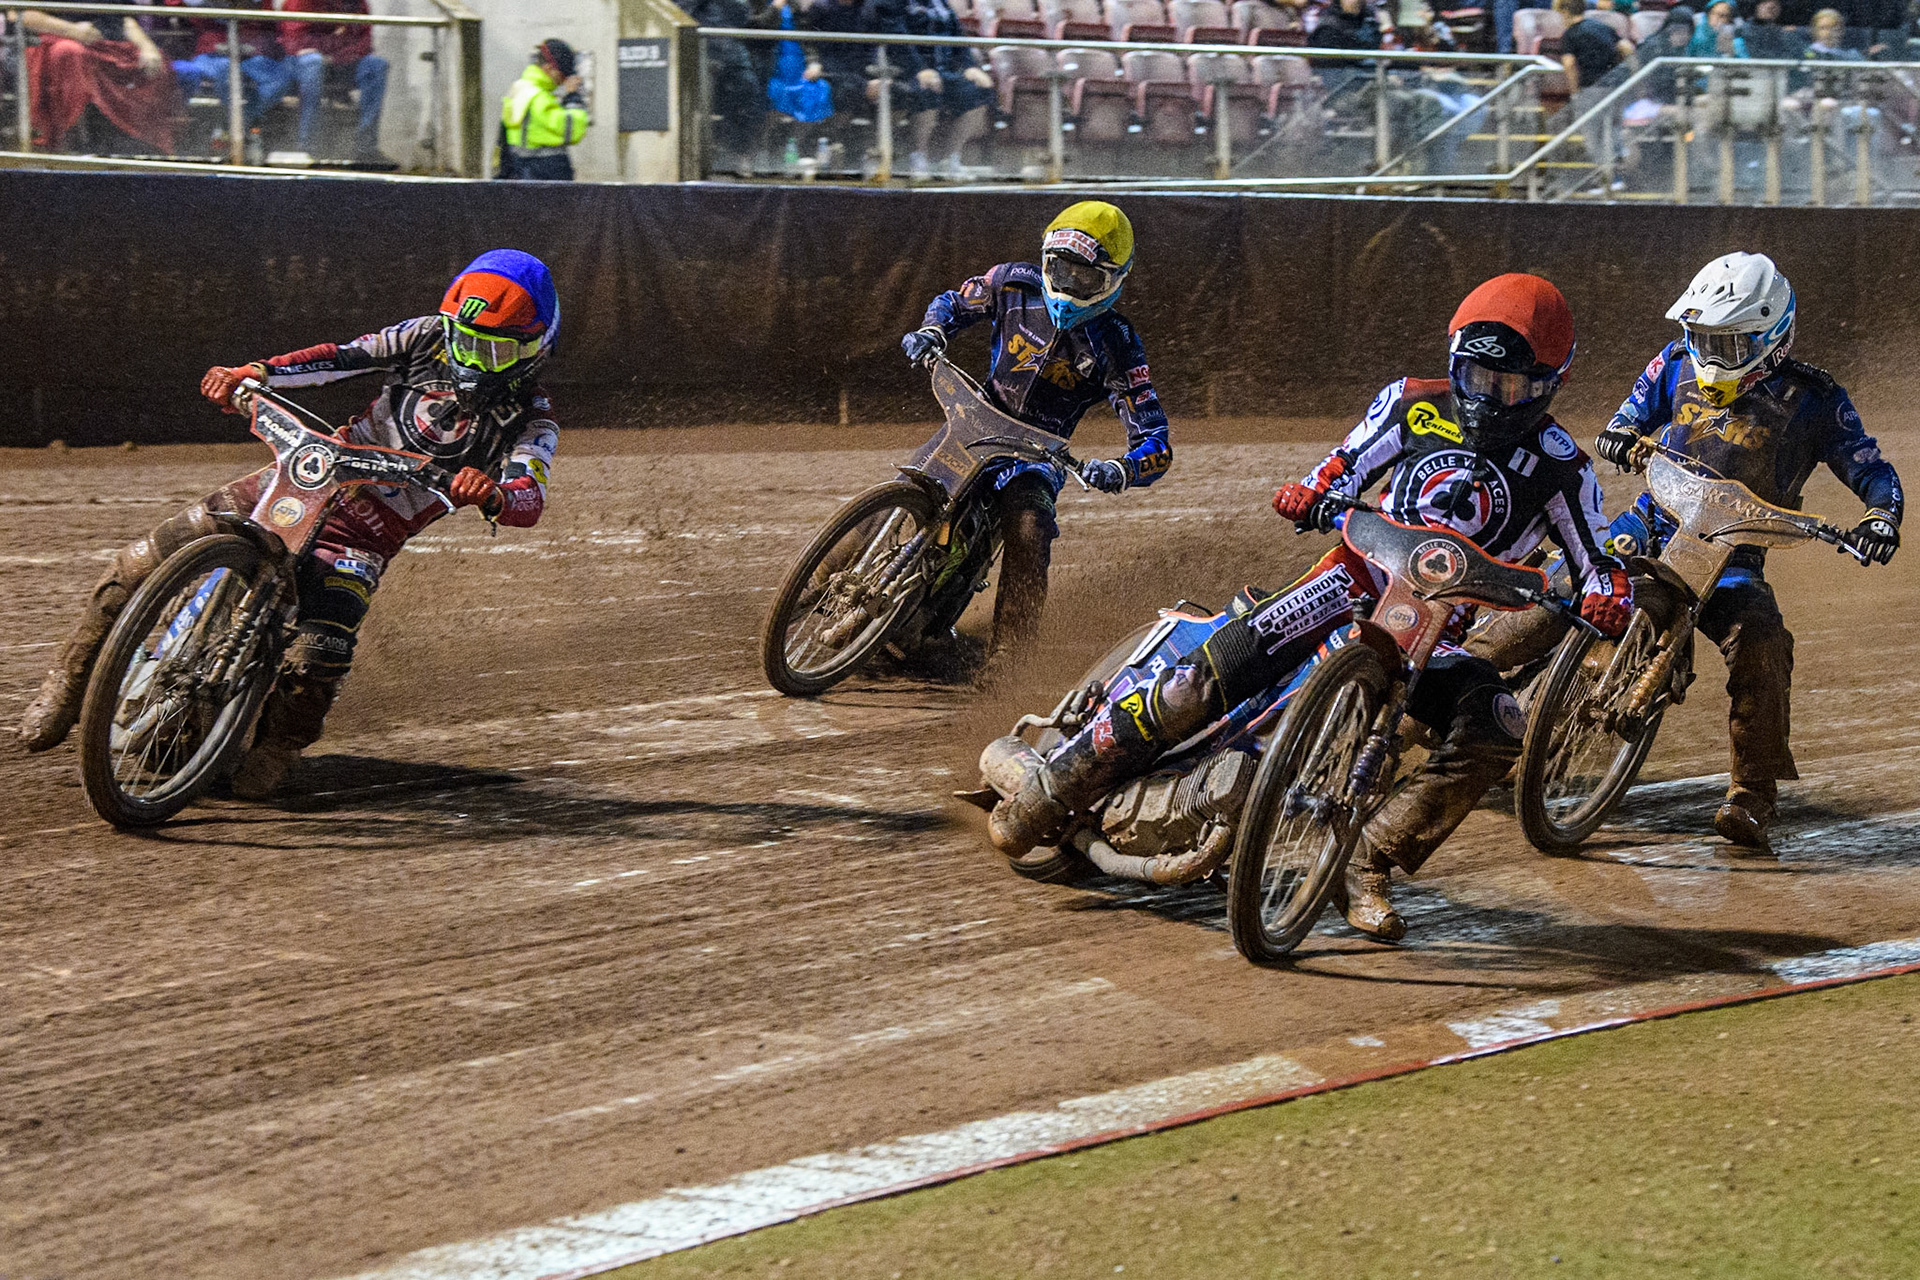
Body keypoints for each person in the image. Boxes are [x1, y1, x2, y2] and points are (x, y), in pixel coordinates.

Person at [990, 274, 1632, 941]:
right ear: (1454, 363)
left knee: (1497, 724)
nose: (1490, 397)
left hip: (1435, 639)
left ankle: (1368, 859)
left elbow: (1597, 558)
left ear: (1550, 385)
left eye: (1510, 386)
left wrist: (1608, 595)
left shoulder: (1564, 468)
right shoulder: (1411, 403)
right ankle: (1057, 785)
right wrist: (1310, 492)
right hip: (1346, 583)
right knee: (1196, 683)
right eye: (1476, 376)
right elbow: (1342, 467)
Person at [18, 251, 564, 800]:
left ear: (537, 347)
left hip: (364, 535)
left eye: (493, 349)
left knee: (321, 650)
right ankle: (68, 682)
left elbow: (530, 493)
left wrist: (494, 492)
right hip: (305, 478)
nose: (472, 358)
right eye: (464, 340)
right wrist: (257, 373)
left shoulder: (532, 420)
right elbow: (342, 356)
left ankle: (278, 748)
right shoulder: (423, 337)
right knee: (140, 561)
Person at [1594, 252, 1901, 854]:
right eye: (1703, 337)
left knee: (1762, 644)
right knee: (1567, 587)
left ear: (1772, 341)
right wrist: (1619, 432)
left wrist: (1880, 516)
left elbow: (1870, 467)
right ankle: (1480, 698)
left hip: (1732, 562)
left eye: (1731, 343)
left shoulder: (1816, 399)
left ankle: (1752, 796)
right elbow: (1626, 417)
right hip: (1649, 525)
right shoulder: (1673, 362)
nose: (1711, 355)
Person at [899, 201, 1171, 656]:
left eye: (1083, 277)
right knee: (908, 486)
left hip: (1038, 458)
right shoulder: (1012, 283)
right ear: (1045, 260)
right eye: (1059, 270)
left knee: (1030, 530)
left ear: (1113, 280)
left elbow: (1154, 438)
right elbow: (953, 302)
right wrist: (933, 331)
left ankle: (1009, 658)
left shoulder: (1117, 342)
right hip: (975, 420)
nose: (1067, 286)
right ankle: (825, 580)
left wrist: (1122, 470)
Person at [19, 6, 178, 154]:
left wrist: (147, 46)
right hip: (57, 40)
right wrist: (72, 30)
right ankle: (67, 145)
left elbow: (124, 18)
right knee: (69, 53)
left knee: (157, 61)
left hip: (110, 45)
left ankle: (144, 147)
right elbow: (23, 15)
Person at [869, 0, 993, 178]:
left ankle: (951, 159)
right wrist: (919, 69)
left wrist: (970, 66)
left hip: (944, 72)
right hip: (906, 71)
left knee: (980, 91)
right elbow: (898, 39)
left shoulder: (941, 3)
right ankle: (918, 158)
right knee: (927, 90)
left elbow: (958, 37)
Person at [170, 0, 294, 162]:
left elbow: (269, 19)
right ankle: (240, 133)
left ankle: (228, 127)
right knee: (225, 72)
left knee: (280, 79)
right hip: (213, 52)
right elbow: (181, 7)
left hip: (253, 53)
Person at [280, 0, 394, 166]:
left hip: (340, 62)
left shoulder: (356, 3)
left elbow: (364, 44)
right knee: (313, 62)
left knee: (377, 65)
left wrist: (333, 54)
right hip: (300, 65)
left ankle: (366, 149)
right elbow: (297, 42)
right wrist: (338, 39)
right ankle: (306, 148)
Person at [498, 39, 590, 180]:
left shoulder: (521, 89)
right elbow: (573, 129)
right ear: (548, 68)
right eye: (561, 74)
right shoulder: (538, 99)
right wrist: (573, 97)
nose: (563, 80)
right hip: (544, 180)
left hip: (524, 176)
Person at [1555, 0, 1635, 94]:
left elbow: (1569, 64)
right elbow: (1627, 47)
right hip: (1614, 85)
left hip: (1591, 88)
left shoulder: (1569, 35)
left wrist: (1574, 93)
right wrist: (1634, 75)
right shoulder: (1601, 26)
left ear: (1565, 12)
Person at [1741, 0, 1808, 61]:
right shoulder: (1747, 29)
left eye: (1776, 3)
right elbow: (1759, 54)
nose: (1771, 6)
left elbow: (1800, 53)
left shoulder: (1785, 32)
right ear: (1757, 6)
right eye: (1765, 2)